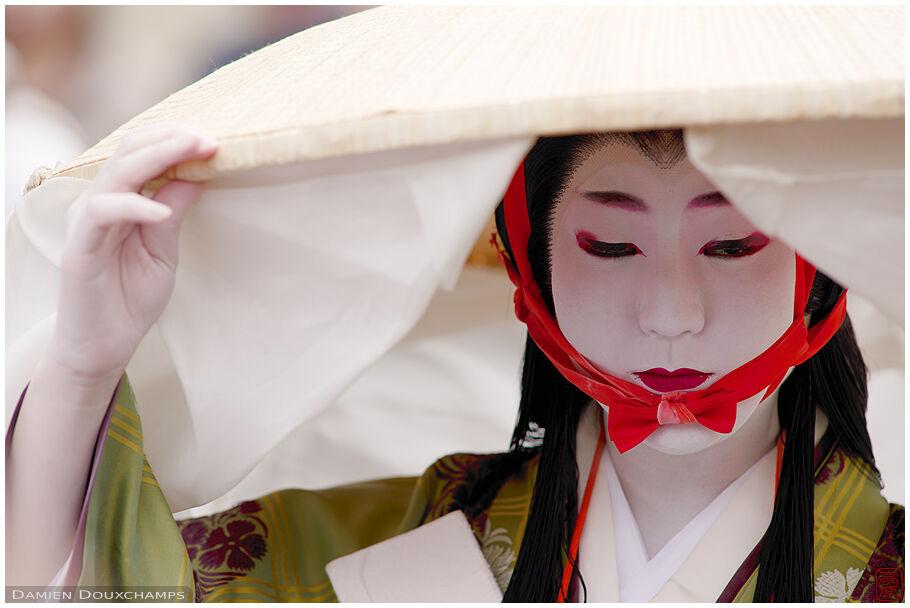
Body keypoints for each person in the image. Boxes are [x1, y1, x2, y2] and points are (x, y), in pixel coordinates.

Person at [6, 124, 902, 603]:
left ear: (818, 266)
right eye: (609, 244)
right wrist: (85, 363)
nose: (672, 313)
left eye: (733, 246)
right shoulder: (399, 546)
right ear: (530, 265)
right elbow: (99, 594)